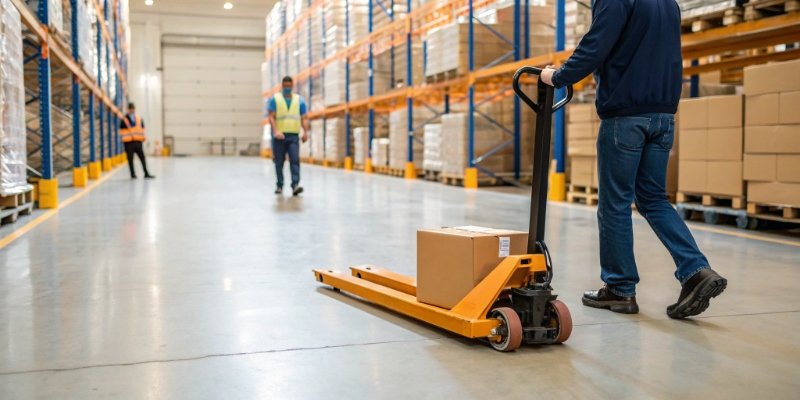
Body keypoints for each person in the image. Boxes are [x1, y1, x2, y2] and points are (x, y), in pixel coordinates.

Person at [540, 0, 726, 318]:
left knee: (615, 203)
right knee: (653, 199)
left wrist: (557, 77)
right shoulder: (669, 4)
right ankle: (696, 270)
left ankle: (620, 289)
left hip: (626, 117)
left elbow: (596, 45)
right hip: (663, 115)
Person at [267, 76, 309, 196]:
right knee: (279, 162)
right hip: (279, 137)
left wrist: (305, 132)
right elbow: (271, 117)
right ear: (282, 86)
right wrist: (275, 131)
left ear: (292, 86)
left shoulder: (299, 100)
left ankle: (295, 185)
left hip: (293, 136)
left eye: (289, 86)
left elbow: (304, 118)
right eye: (285, 86)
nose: (287, 88)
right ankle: (279, 185)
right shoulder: (275, 99)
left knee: (294, 161)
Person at [120, 103, 155, 179]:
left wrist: (142, 139)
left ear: (134, 109)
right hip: (129, 143)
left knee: (142, 158)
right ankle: (133, 174)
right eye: (130, 109)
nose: (132, 110)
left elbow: (142, 129)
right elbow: (122, 131)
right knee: (130, 160)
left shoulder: (139, 119)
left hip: (138, 142)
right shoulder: (124, 120)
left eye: (133, 108)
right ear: (128, 109)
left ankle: (146, 173)